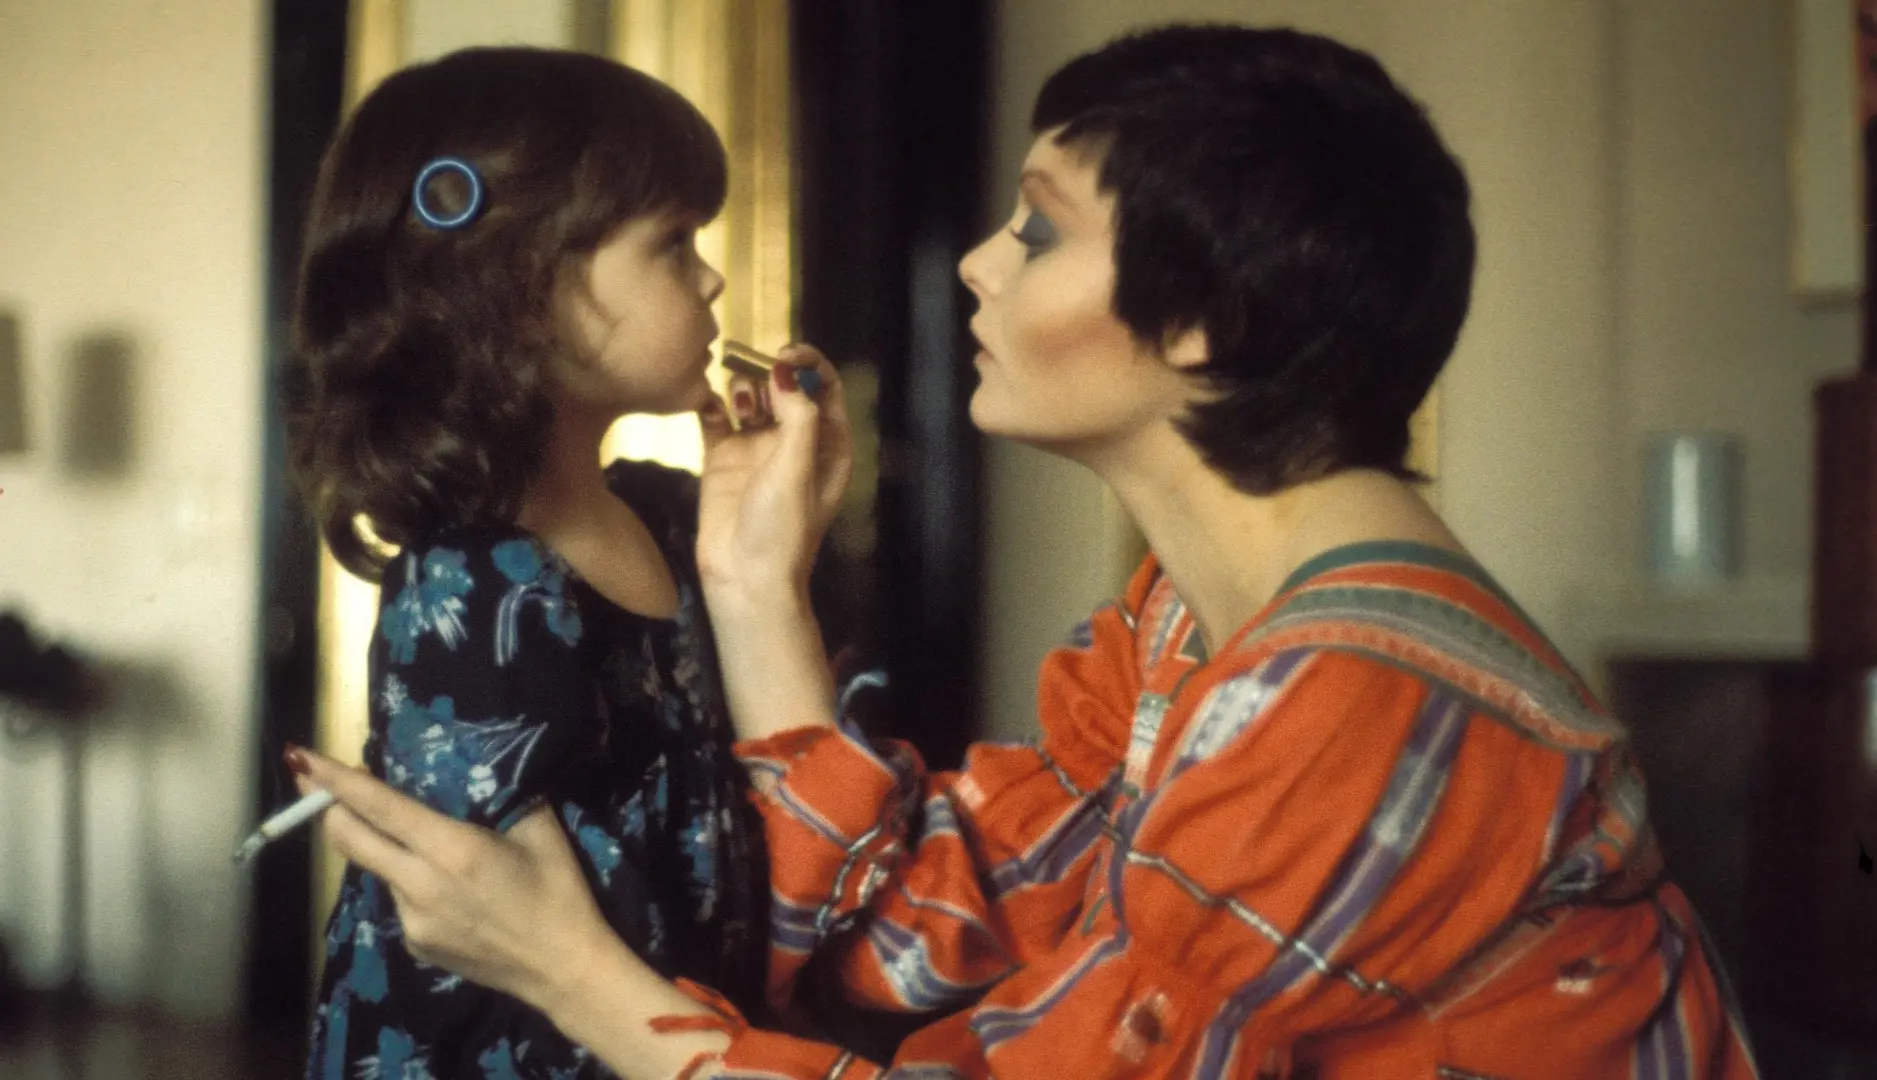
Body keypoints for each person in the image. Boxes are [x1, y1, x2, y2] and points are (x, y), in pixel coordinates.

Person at [287, 24, 1762, 1079]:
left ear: (1209, 319)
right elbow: (906, 927)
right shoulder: (1180, 633)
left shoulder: (1365, 708)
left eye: (1040, 232)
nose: (977, 263)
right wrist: (751, 583)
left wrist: (571, 973)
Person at [280, 46, 779, 1079]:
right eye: (675, 242)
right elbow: (501, 956)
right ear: (521, 289)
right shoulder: (478, 583)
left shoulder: (666, 512)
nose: (712, 274)